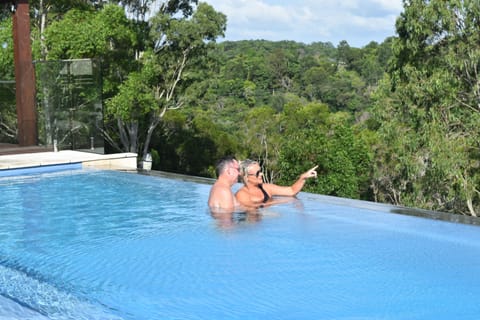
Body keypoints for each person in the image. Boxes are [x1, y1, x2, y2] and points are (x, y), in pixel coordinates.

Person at [235, 159, 318, 208]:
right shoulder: (242, 195)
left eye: (261, 171)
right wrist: (277, 202)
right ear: (246, 177)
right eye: (257, 173)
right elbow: (252, 210)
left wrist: (303, 177)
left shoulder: (267, 188)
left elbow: (291, 191)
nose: (261, 174)